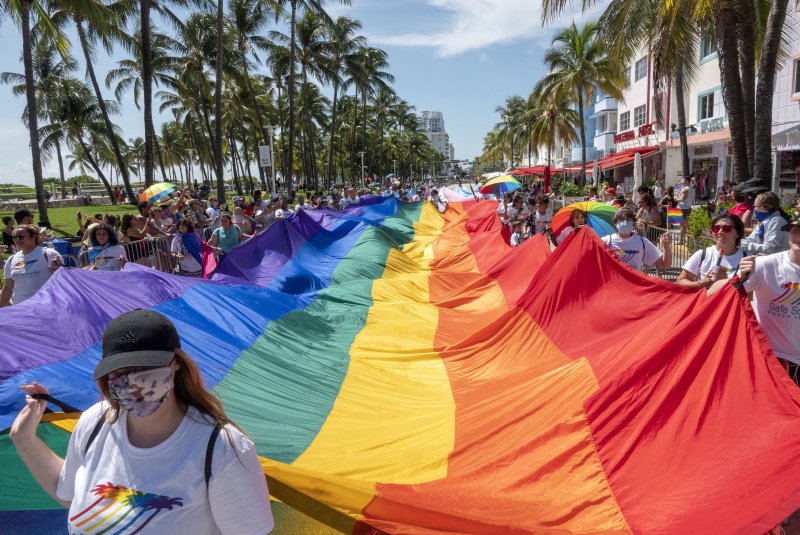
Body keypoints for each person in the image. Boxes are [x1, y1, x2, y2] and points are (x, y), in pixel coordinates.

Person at [9, 309, 274, 534]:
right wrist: (23, 439)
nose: (133, 383)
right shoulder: (95, 422)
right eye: (121, 371)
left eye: (146, 368)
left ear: (175, 365)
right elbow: (70, 495)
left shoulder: (222, 448)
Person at [734, 214, 800, 377]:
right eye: (796, 230)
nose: (799, 237)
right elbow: (726, 294)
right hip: (775, 358)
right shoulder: (765, 265)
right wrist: (739, 278)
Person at [677, 214, 746, 290]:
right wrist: (701, 283)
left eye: (727, 228)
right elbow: (680, 280)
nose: (720, 232)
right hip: (706, 301)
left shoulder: (747, 258)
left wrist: (727, 281)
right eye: (716, 228)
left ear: (738, 233)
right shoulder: (703, 254)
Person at [0, 224, 63, 306]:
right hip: (21, 310)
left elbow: (63, 282)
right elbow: (8, 288)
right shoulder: (11, 259)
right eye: (14, 237)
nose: (17, 240)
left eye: (21, 237)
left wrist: (57, 270)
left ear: (33, 236)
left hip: (46, 307)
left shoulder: (48, 254)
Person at [603, 207, 672, 271]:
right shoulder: (606, 241)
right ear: (615, 222)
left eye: (628, 220)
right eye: (621, 220)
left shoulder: (642, 242)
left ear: (633, 223)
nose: (625, 223)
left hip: (634, 283)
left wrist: (666, 246)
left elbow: (666, 264)